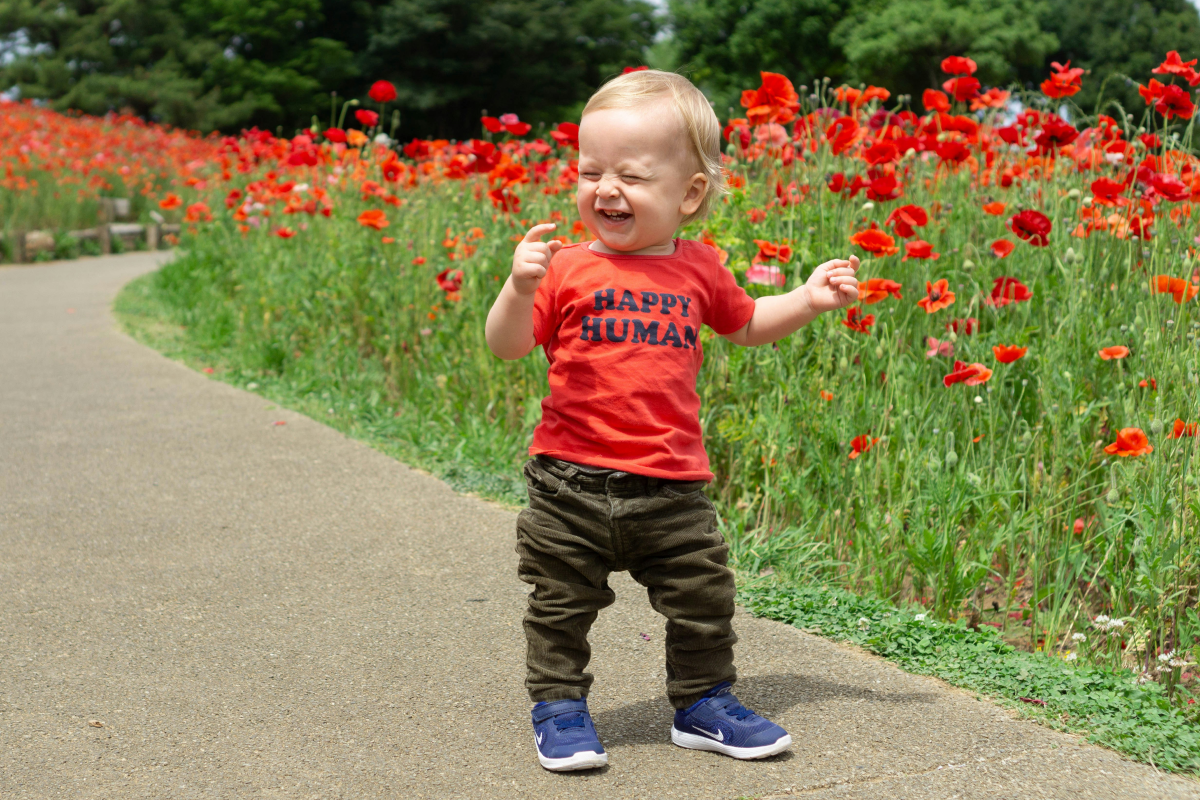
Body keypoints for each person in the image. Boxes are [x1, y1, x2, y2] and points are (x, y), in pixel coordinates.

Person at [485, 68, 859, 772]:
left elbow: (747, 323)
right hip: (569, 484)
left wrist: (807, 299)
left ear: (690, 194)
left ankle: (702, 702)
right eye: (590, 170)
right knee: (561, 602)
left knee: (703, 598)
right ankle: (560, 706)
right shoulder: (563, 268)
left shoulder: (700, 268)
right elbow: (506, 346)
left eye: (631, 175)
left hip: (672, 485)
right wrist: (517, 286)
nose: (605, 189)